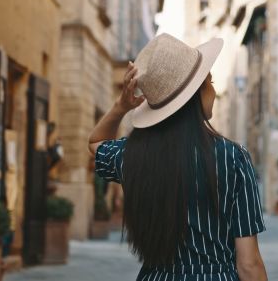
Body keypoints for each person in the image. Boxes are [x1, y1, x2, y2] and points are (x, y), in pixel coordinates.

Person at [88, 34, 268, 281]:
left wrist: (121, 106)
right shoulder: (234, 158)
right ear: (195, 94)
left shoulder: (134, 155)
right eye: (210, 82)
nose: (214, 91)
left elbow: (96, 143)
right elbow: (249, 263)